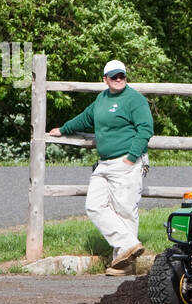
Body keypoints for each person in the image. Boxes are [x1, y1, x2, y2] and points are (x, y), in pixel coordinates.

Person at [47, 60, 154, 275]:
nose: (118, 79)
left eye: (121, 76)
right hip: (105, 163)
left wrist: (131, 158)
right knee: (94, 205)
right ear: (105, 79)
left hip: (126, 161)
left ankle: (123, 263)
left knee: (124, 209)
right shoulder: (101, 99)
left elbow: (145, 129)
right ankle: (128, 245)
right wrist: (64, 129)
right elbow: (85, 118)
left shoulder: (135, 100)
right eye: (113, 76)